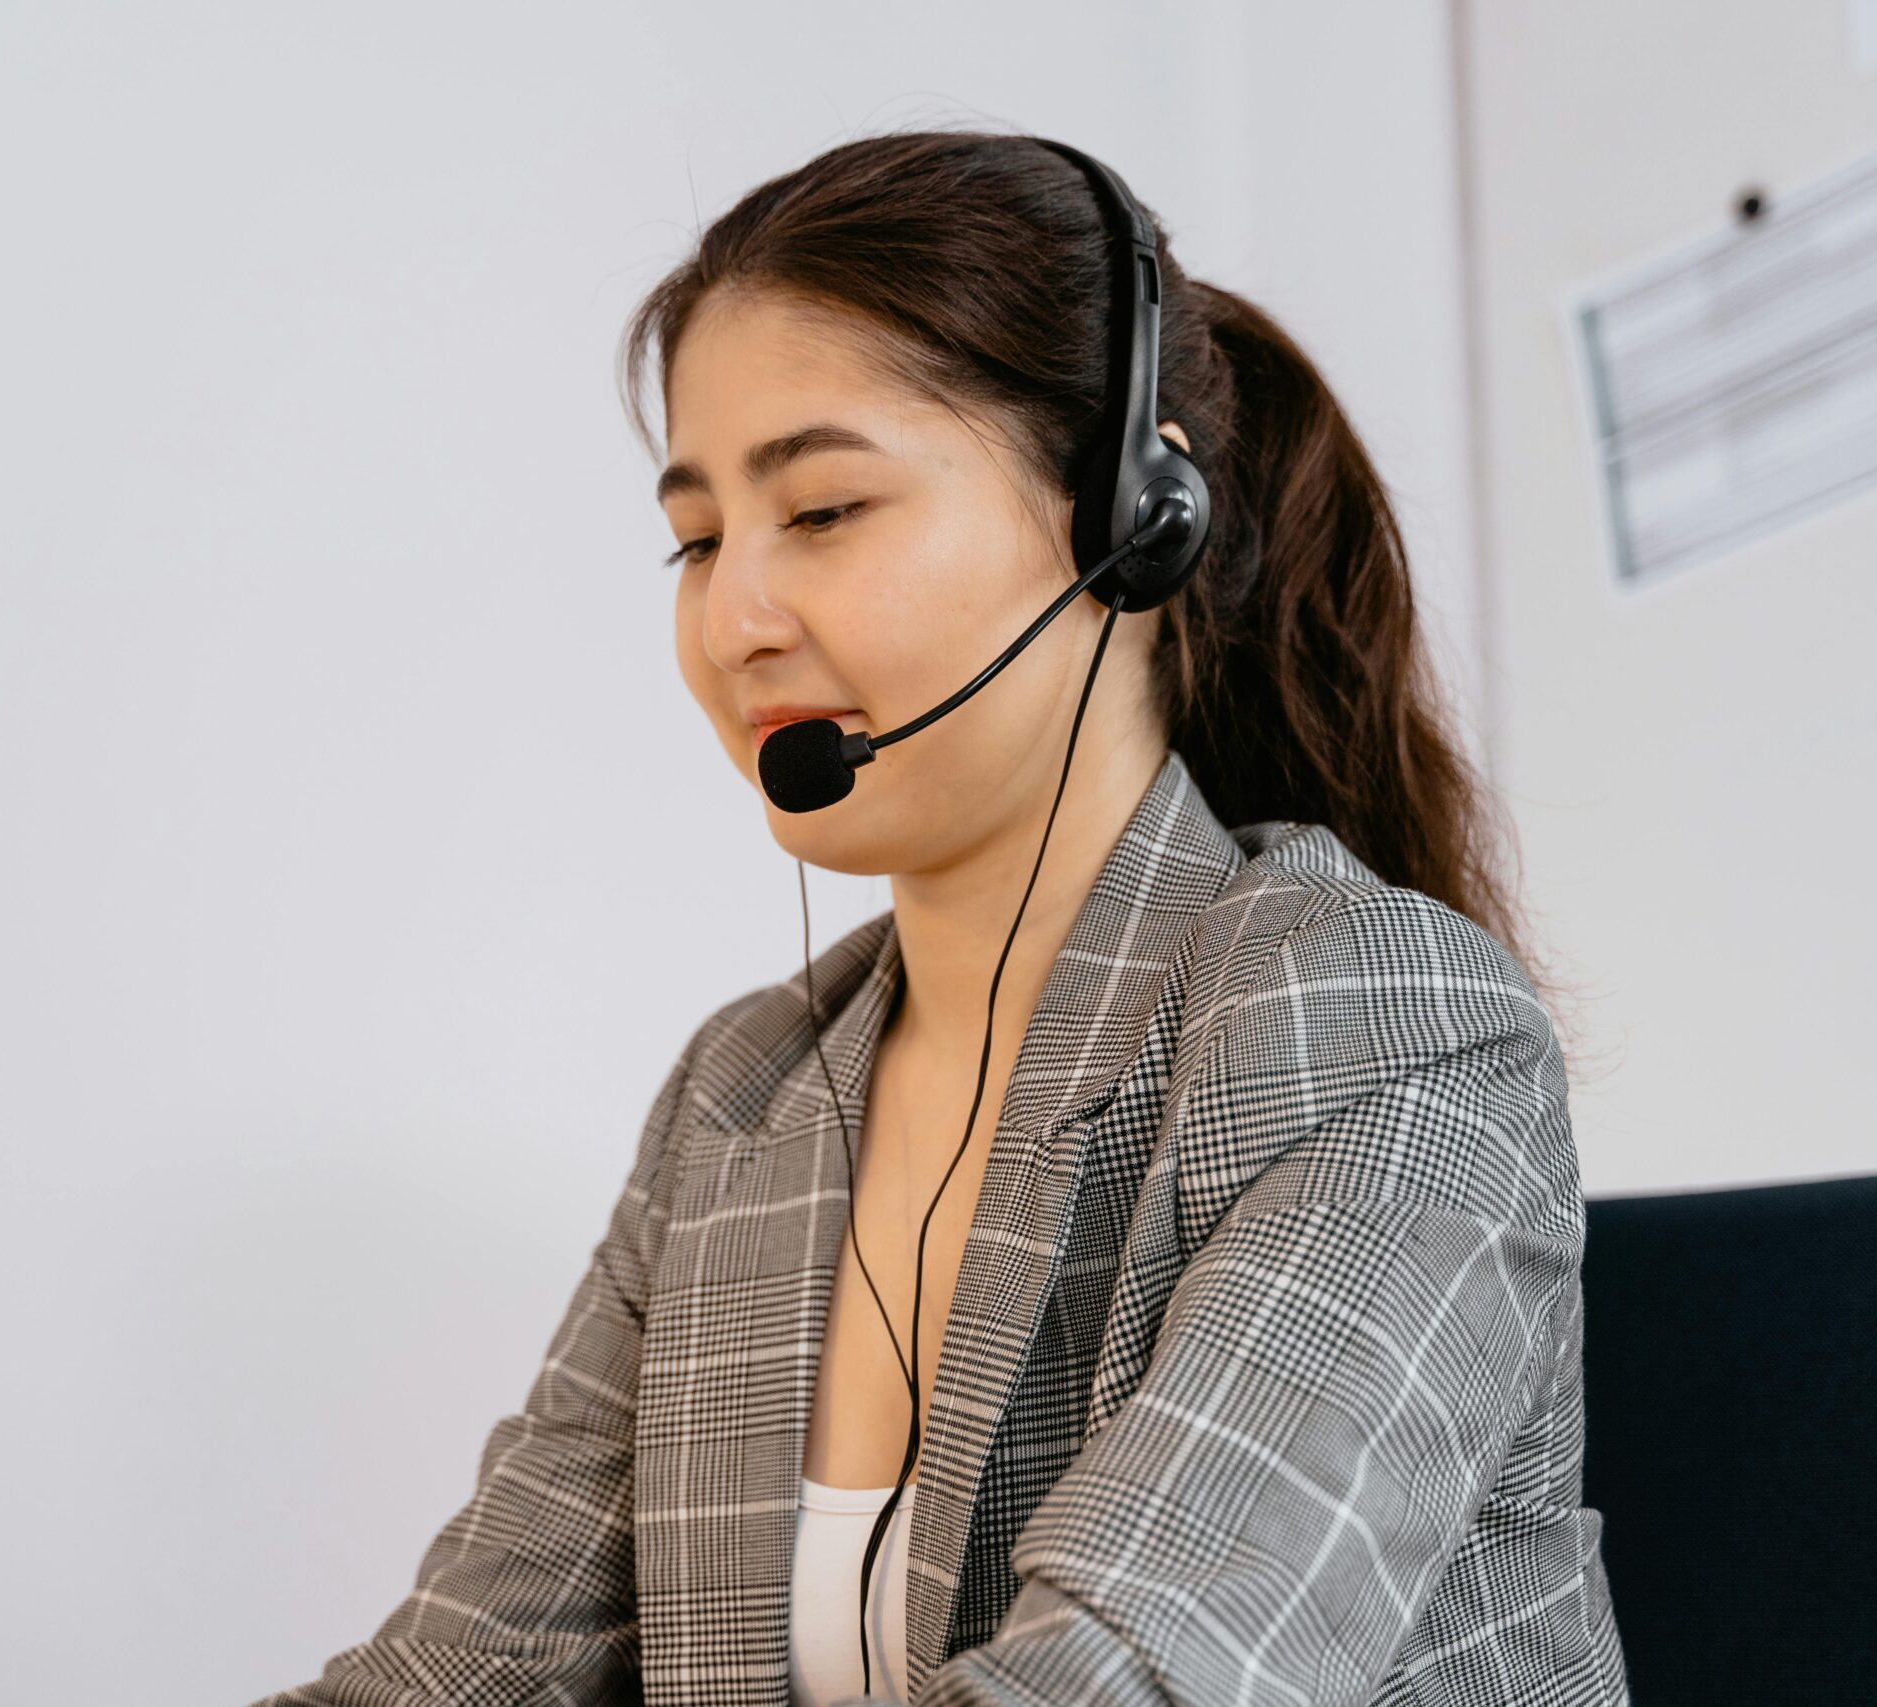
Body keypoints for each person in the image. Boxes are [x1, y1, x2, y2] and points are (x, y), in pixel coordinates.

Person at [247, 128, 1626, 1707]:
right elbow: (459, 1677)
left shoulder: (1379, 1023)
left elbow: (1129, 1683)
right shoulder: (743, 1100)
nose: (733, 623)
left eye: (822, 512)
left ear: (1129, 521)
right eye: (697, 540)